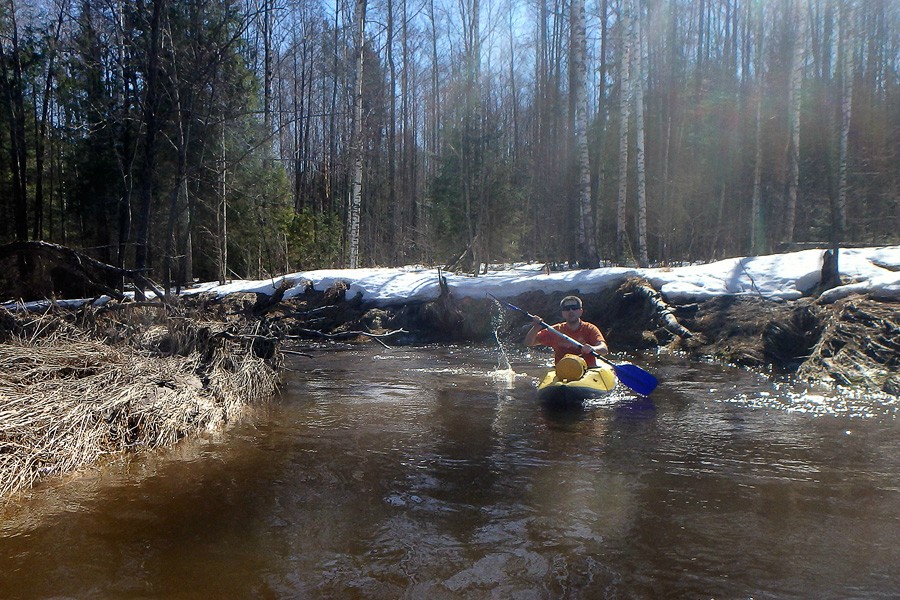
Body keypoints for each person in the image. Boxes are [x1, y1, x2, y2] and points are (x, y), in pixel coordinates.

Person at [524, 295, 608, 367]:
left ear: (581, 311)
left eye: (574, 308)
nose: (571, 311)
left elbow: (604, 349)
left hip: (588, 370)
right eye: (567, 309)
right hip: (562, 371)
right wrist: (536, 328)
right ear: (562, 313)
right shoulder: (556, 330)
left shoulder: (590, 328)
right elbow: (529, 343)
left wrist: (593, 348)